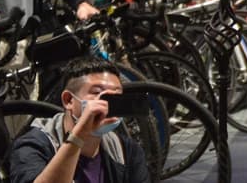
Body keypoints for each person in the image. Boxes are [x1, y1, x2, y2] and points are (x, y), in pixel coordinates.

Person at [8, 58, 149, 183]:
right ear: (68, 100)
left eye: (116, 95)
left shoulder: (126, 151)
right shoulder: (33, 145)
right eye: (97, 92)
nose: (108, 104)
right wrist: (80, 134)